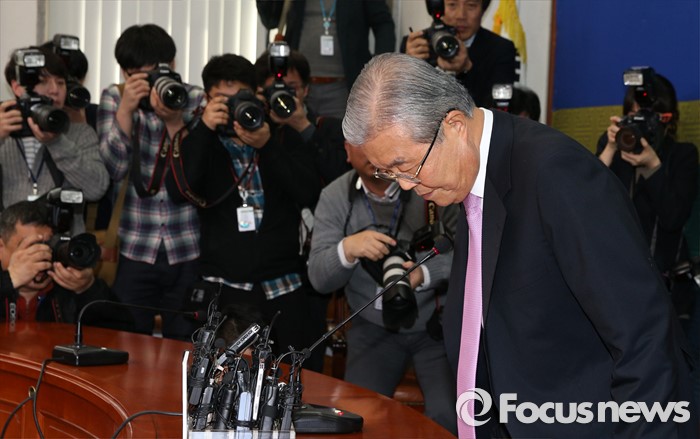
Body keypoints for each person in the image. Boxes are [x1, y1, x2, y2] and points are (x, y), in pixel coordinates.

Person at [342, 53, 697, 438]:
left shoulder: (556, 174)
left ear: (455, 126)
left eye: (406, 166)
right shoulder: (467, 178)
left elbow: (643, 336)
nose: (405, 185)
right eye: (388, 172)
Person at [164, 54, 325, 371]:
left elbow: (309, 193)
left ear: (257, 96)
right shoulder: (200, 139)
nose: (233, 107)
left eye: (240, 97)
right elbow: (178, 190)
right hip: (223, 288)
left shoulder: (281, 135)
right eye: (222, 100)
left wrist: (267, 145)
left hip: (283, 287)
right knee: (217, 379)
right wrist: (205, 129)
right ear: (207, 99)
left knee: (290, 377)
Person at [307, 142, 459, 434]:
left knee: (450, 416)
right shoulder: (336, 195)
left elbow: (469, 259)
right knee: (356, 417)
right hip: (372, 328)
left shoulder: (428, 185)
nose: (372, 153)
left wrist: (424, 273)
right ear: (347, 151)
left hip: (435, 327)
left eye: (377, 142)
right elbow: (318, 279)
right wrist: (347, 250)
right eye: (361, 145)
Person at [97, 24, 204, 340]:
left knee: (185, 344)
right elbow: (114, 170)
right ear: (125, 73)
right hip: (134, 246)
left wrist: (174, 122)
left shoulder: (194, 99)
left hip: (187, 243)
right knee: (127, 341)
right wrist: (126, 111)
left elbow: (198, 174)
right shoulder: (115, 97)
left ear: (172, 65)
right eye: (140, 76)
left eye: (157, 72)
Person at [0, 46, 108, 229]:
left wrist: (57, 143)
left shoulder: (80, 133)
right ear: (17, 87)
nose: (54, 90)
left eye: (60, 82)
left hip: (63, 240)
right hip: (9, 241)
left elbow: (96, 189)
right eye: (43, 82)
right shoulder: (3, 130)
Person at [0, 200, 131, 329]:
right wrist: (10, 280)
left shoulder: (67, 283)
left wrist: (88, 289)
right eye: (30, 247)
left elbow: (122, 332)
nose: (41, 255)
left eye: (47, 245)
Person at [256, 0, 396, 119]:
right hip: (298, 86)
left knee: (342, 138)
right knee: (296, 136)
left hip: (344, 86)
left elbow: (383, 24)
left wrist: (379, 67)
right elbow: (270, 20)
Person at [253, 47, 350, 187]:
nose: (282, 96)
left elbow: (344, 180)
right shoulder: (255, 127)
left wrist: (304, 127)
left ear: (306, 90)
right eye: (275, 89)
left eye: (290, 89)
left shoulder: (328, 128)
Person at [401, 0, 516, 108]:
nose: (461, 15)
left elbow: (497, 110)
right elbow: (402, 104)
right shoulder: (417, 45)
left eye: (471, 5)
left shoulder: (501, 49)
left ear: (483, 10)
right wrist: (409, 68)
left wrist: (467, 69)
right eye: (452, 4)